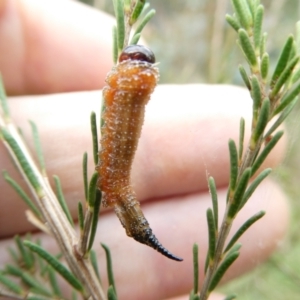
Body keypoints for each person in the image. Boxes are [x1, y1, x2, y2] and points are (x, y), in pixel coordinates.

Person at [0, 1, 289, 299]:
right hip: (118, 185)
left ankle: (142, 231)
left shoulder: (127, 85)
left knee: (116, 183)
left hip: (119, 186)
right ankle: (142, 231)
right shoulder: (128, 85)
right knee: (115, 183)